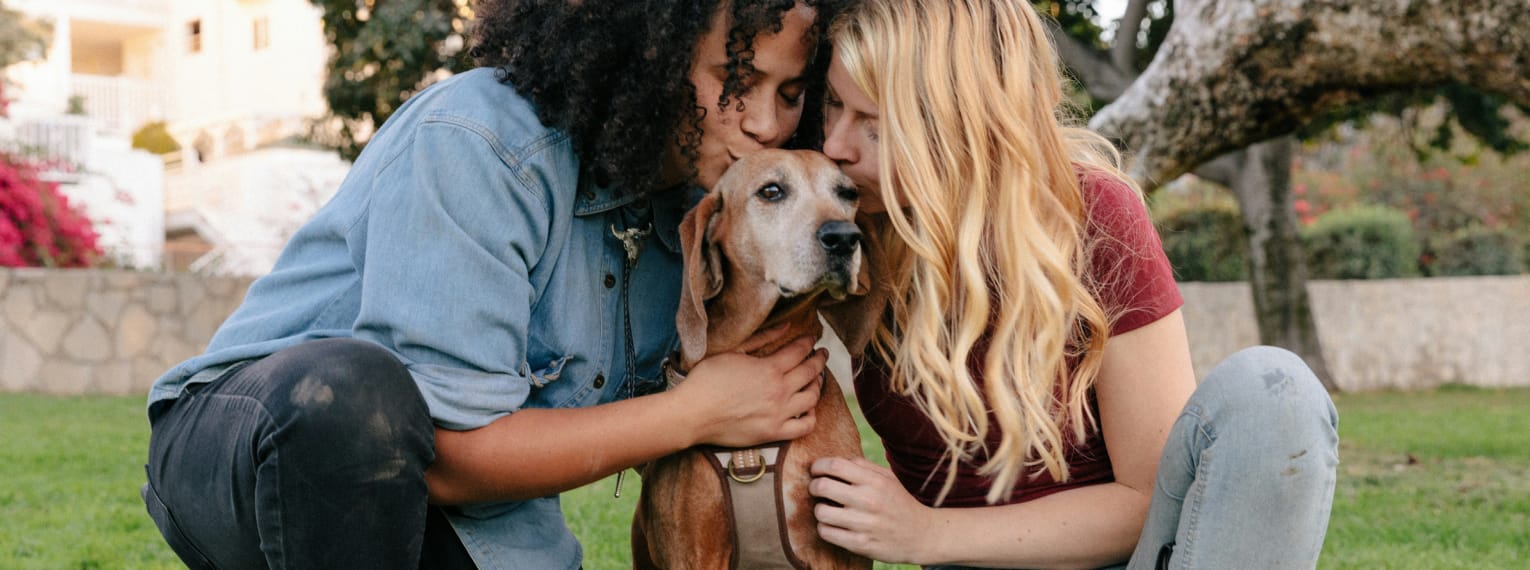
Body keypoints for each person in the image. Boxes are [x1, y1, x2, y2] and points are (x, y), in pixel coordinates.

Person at [140, 1, 852, 567]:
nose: (764, 123)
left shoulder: (719, 214)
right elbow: (446, 455)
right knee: (355, 399)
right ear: (650, 55)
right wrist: (694, 413)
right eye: (734, 82)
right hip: (261, 444)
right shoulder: (484, 140)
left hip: (454, 505)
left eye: (789, 92)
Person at [806, 1, 1340, 568]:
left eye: (876, 125)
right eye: (833, 105)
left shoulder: (1089, 214)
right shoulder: (842, 226)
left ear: (963, 122)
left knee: (1273, 392)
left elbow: (1146, 500)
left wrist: (925, 534)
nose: (836, 144)